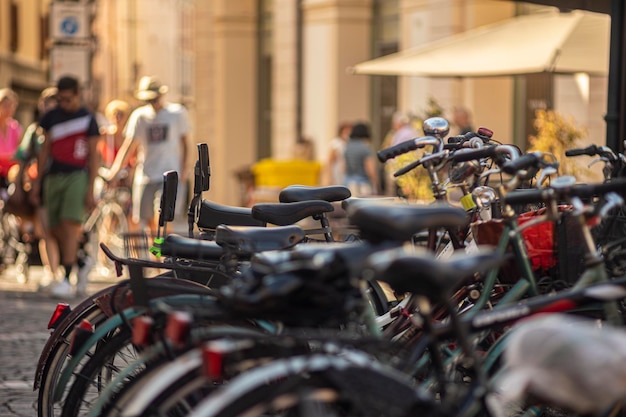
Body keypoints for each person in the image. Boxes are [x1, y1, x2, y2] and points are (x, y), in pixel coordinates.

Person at [30, 76, 100, 298]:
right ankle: (79, 260)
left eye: (68, 99)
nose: (64, 104)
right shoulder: (51, 117)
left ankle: (67, 277)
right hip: (53, 176)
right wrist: (37, 181)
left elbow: (94, 156)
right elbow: (44, 150)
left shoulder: (88, 119)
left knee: (70, 225)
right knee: (53, 227)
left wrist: (90, 188)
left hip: (77, 175)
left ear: (78, 95)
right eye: (60, 99)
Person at [105, 76, 189, 235]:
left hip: (169, 173)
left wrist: (184, 168)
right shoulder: (139, 116)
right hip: (146, 174)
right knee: (148, 220)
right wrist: (115, 171)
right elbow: (129, 145)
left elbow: (186, 142)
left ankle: (164, 253)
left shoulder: (176, 113)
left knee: (163, 217)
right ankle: (155, 255)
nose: (153, 102)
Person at [12, 87, 60, 287]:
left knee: (61, 228)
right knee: (44, 229)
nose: (48, 108)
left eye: (52, 104)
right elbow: (23, 157)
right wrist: (17, 182)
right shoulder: (35, 130)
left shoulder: (64, 127)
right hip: (39, 182)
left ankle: (63, 269)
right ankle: (52, 271)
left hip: (61, 181)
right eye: (45, 104)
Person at [343, 122, 379, 196]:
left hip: (348, 183)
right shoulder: (365, 147)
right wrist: (377, 184)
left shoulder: (347, 146)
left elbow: (344, 167)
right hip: (362, 184)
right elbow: (370, 170)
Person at [0, 88, 22, 191]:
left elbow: (20, 152)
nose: (9, 109)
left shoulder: (15, 128)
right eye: (5, 106)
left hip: (12, 173)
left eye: (11, 106)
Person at [324, 121, 352, 185]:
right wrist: (329, 177)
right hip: (337, 172)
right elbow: (330, 161)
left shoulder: (350, 143)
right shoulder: (336, 143)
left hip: (347, 173)